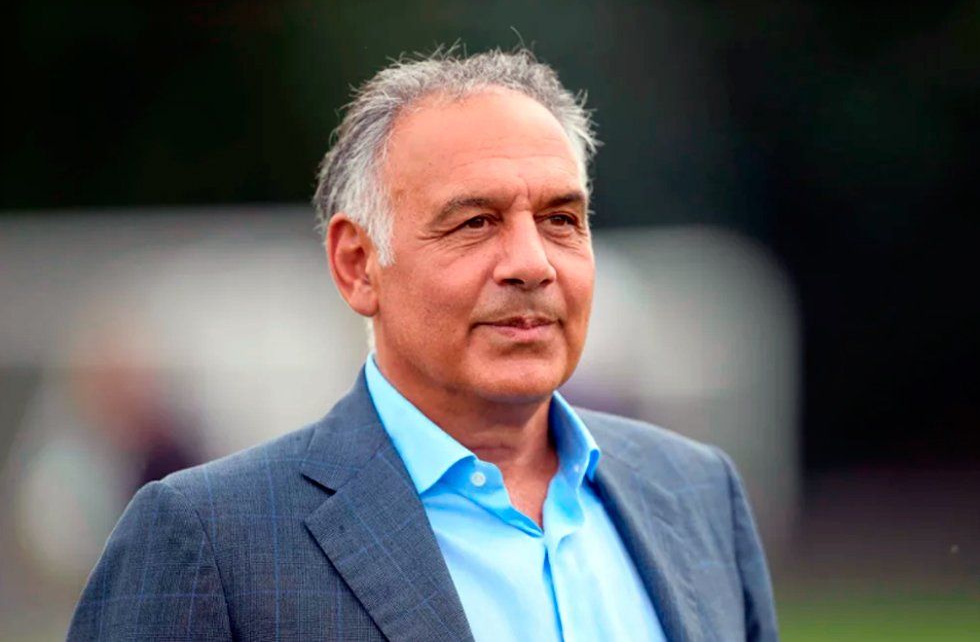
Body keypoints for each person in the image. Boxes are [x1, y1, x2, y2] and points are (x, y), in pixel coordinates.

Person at [67, 48, 779, 641]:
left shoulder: (697, 493)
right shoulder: (212, 541)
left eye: (561, 219)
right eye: (475, 223)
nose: (532, 263)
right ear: (358, 265)